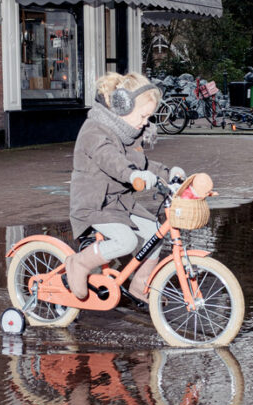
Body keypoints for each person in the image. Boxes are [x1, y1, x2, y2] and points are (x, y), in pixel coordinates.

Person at [64, 71, 184, 301]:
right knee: (126, 241)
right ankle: (79, 264)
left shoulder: (128, 133)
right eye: (143, 116)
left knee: (154, 235)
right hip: (94, 204)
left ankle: (139, 286)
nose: (145, 122)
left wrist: (170, 174)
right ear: (122, 107)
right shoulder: (94, 131)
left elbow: (143, 162)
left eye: (148, 117)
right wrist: (132, 175)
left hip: (118, 204)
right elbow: (112, 160)